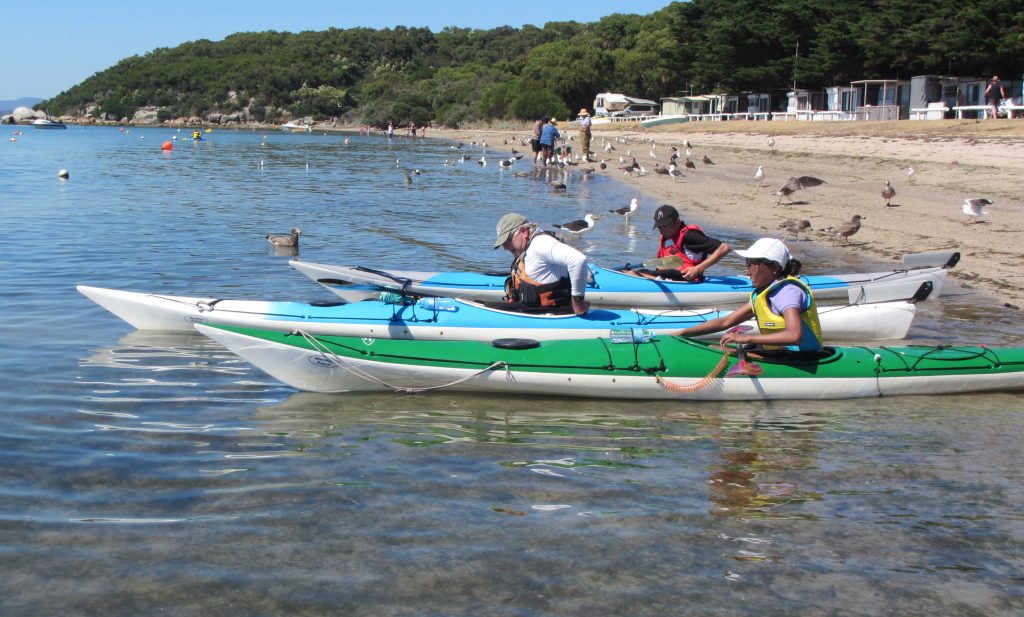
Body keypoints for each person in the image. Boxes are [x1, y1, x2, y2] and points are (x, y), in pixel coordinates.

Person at [674, 238, 823, 352]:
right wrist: (684, 333)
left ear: (774, 268)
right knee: (722, 348)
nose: (748, 271)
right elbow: (726, 322)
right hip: (780, 355)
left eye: (751, 265)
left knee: (723, 350)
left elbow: (794, 336)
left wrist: (746, 338)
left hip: (803, 359)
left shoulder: (788, 292)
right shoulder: (762, 293)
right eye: (747, 264)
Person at [493, 212, 590, 315]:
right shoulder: (528, 247)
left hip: (554, 314)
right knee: (482, 304)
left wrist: (578, 301)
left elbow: (578, 259)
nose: (505, 247)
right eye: (503, 244)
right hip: (534, 310)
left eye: (507, 241)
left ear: (523, 231)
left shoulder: (541, 244)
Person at [629, 205, 730, 282]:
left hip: (686, 279)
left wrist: (697, 269)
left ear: (677, 222)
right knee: (635, 272)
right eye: (660, 227)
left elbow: (724, 248)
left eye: (665, 226)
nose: (662, 230)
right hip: (669, 277)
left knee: (633, 273)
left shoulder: (690, 235)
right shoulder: (667, 237)